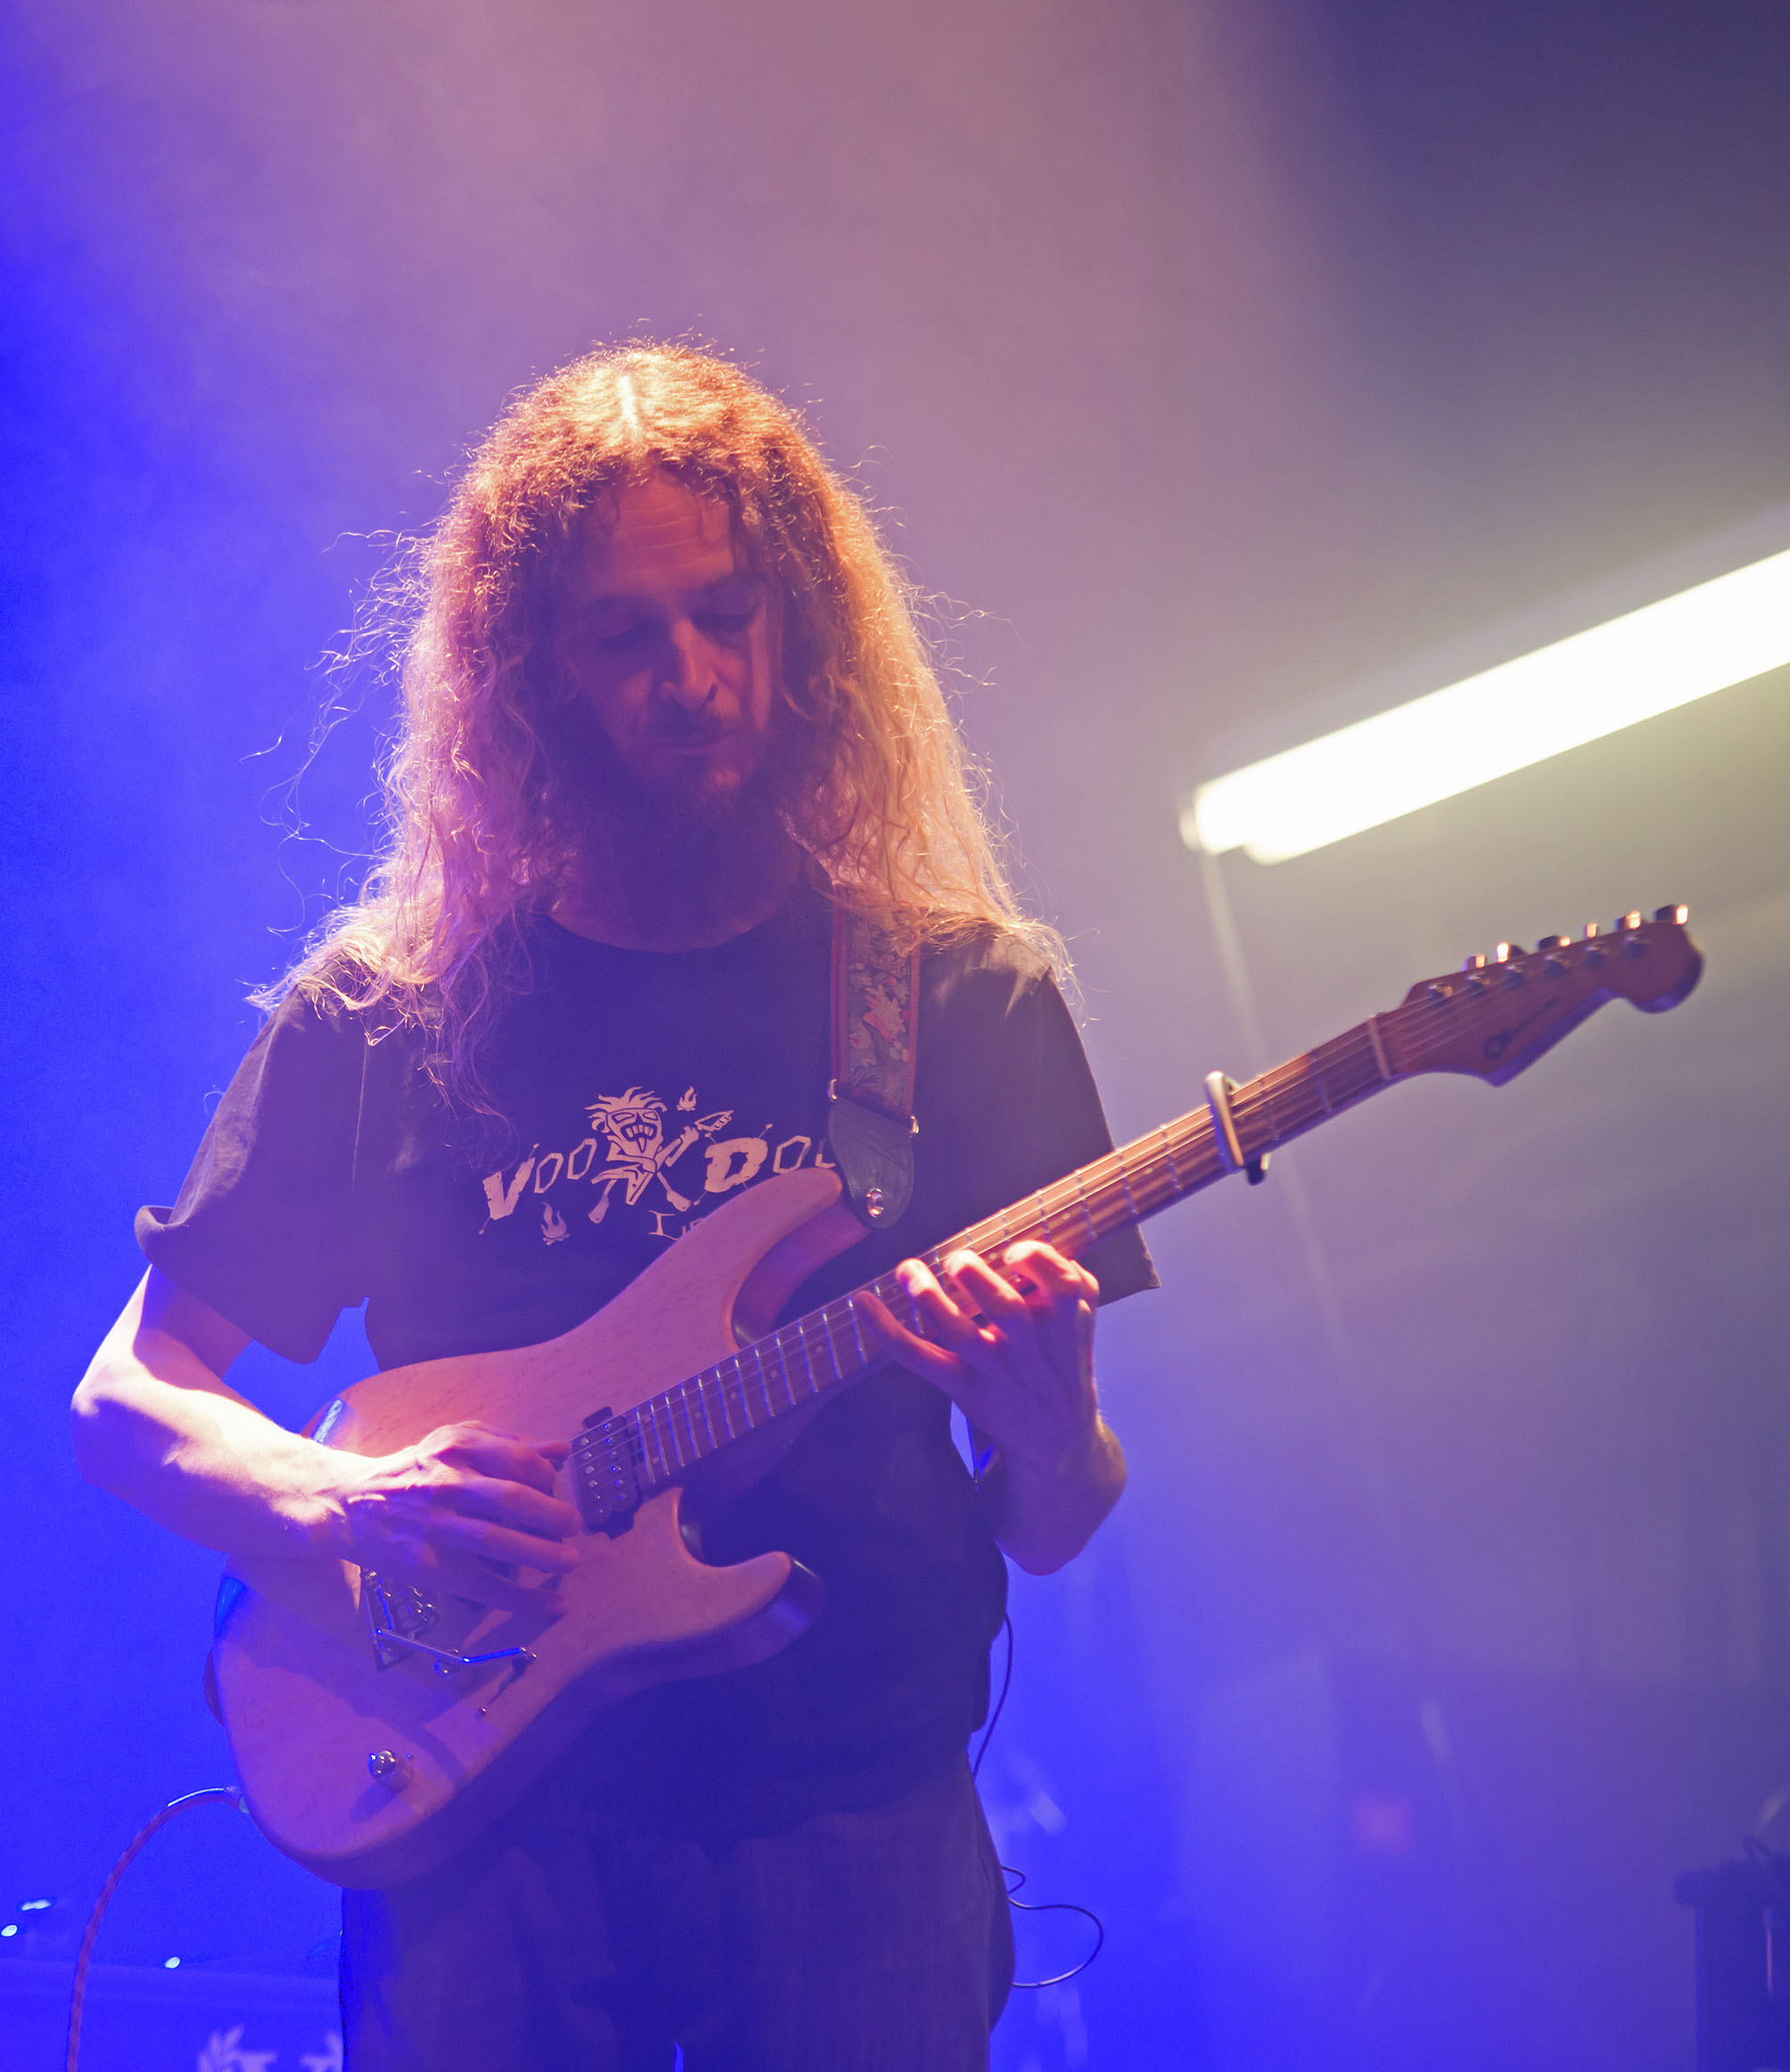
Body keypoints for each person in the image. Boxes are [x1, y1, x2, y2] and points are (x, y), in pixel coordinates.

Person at [71, 344, 1154, 2072]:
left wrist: (1050, 1429)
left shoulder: (950, 996)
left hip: (850, 1817)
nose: (694, 677)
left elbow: (1052, 1519)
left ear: (805, 628)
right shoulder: (389, 1013)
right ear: (529, 672)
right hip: (483, 1816)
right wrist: (350, 1499)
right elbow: (124, 1402)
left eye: (730, 615)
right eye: (623, 635)